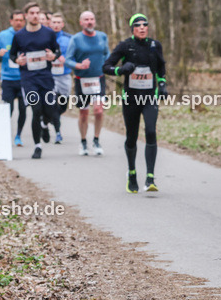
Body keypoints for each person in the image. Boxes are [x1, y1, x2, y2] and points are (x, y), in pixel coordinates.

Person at [102, 13, 167, 192]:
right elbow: (106, 67)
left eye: (145, 24)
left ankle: (150, 178)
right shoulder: (125, 46)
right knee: (132, 136)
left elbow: (161, 66)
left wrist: (162, 83)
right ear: (132, 28)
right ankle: (131, 172)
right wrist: (121, 70)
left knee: (151, 131)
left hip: (149, 97)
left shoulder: (155, 45)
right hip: (130, 98)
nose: (142, 27)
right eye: (137, 25)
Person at [8, 2, 60, 159]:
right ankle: (38, 146)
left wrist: (54, 56)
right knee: (36, 110)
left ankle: (45, 125)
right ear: (26, 16)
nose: (36, 15)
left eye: (38, 12)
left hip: (46, 77)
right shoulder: (19, 36)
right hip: (29, 79)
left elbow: (56, 50)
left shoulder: (48, 33)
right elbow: (12, 55)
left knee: (50, 110)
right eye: (32, 13)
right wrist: (18, 60)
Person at [65, 11, 110, 156]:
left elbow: (107, 54)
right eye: (86, 19)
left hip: (98, 79)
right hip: (82, 80)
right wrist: (78, 66)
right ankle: (83, 141)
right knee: (84, 113)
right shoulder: (76, 39)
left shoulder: (102, 36)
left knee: (98, 110)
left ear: (95, 21)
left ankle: (96, 140)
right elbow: (68, 59)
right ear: (81, 22)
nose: (89, 22)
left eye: (92, 19)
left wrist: (108, 65)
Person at [0, 10, 28, 145]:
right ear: (11, 21)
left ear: (24, 21)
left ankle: (18, 136)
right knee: (8, 109)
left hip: (24, 78)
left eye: (21, 20)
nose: (18, 22)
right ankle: (4, 135)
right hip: (8, 79)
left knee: (23, 108)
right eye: (16, 20)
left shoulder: (28, 35)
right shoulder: (4, 35)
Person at [49, 12, 72, 144]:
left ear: (62, 24)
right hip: (49, 76)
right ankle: (58, 133)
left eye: (59, 22)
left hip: (64, 75)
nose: (56, 25)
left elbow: (75, 55)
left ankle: (48, 119)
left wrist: (67, 60)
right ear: (50, 24)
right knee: (51, 104)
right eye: (54, 22)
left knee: (63, 106)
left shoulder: (69, 39)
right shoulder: (44, 37)